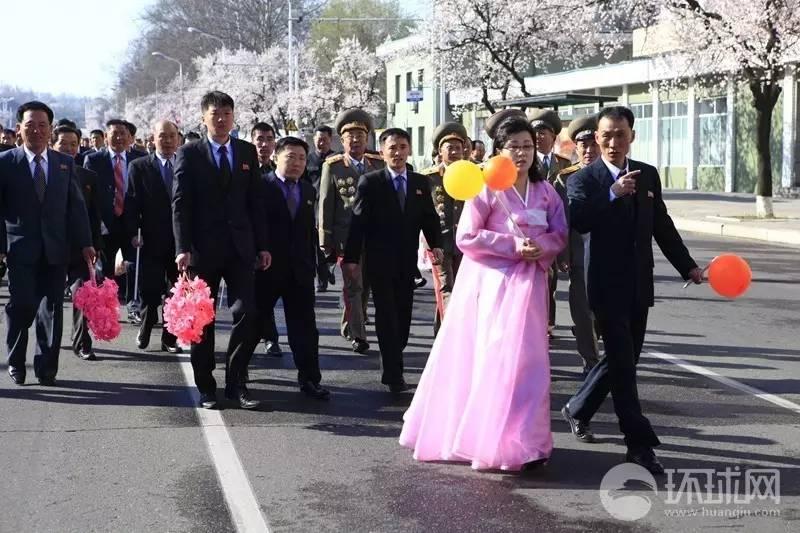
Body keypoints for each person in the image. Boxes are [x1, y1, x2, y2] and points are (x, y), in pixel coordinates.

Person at [399, 116, 567, 471]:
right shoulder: (487, 189)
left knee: (530, 365)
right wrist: (511, 245)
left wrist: (542, 246)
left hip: (532, 287)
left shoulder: (547, 191)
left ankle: (528, 443)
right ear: (499, 152)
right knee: (495, 363)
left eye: (527, 146)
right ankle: (487, 439)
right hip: (494, 287)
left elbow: (559, 234)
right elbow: (467, 238)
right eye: (514, 147)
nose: (521, 154)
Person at [561, 106, 703, 475]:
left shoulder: (648, 175)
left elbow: (662, 226)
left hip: (639, 283)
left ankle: (578, 407)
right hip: (604, 285)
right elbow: (578, 219)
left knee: (624, 361)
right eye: (605, 135)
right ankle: (638, 444)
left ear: (632, 137)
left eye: (619, 135)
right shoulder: (583, 179)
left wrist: (687, 265)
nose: (611, 142)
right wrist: (611, 193)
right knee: (623, 364)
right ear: (596, 137)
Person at [173, 91, 269, 410]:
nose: (221, 118)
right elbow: (181, 205)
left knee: (247, 312)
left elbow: (256, 201)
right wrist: (183, 248)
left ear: (233, 116)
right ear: (204, 118)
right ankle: (206, 386)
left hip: (241, 248)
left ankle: (236, 381)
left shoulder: (245, 151)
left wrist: (262, 245)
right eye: (215, 113)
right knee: (203, 320)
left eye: (227, 112)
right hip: (203, 250)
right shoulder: (189, 153)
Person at [0, 101, 95, 385]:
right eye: (30, 125)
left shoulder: (64, 164)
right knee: (23, 306)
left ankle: (46, 367)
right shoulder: (6, 163)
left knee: (52, 309)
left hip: (56, 249)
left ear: (50, 129)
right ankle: (16, 361)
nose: (37, 131)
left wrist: (86, 244)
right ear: (19, 129)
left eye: (43, 125)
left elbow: (76, 208)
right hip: (20, 249)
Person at [344, 128, 442, 393]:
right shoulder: (371, 182)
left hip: (407, 261)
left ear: (408, 149)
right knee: (387, 315)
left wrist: (436, 246)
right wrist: (351, 259)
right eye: (392, 148)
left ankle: (394, 355)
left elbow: (429, 219)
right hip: (379, 261)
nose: (397, 153)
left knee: (403, 317)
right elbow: (358, 222)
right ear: (382, 152)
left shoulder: (420, 183)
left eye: (402, 147)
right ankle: (393, 373)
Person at [245, 136, 330, 400]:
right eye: (290, 157)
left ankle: (310, 379)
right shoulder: (261, 186)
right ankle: (239, 375)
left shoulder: (308, 190)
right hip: (266, 268)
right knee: (253, 323)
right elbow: (251, 225)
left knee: (305, 328)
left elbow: (308, 232)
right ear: (276, 157)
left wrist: (319, 264)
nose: (296, 163)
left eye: (302, 158)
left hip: (300, 270)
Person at [319, 109, 385, 354]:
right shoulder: (333, 167)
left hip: (375, 237)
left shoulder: (378, 164)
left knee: (366, 285)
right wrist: (325, 240)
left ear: (367, 138)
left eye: (360, 135)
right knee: (353, 285)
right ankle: (359, 335)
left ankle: (350, 323)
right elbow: (326, 204)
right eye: (350, 136)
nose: (355, 140)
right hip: (346, 238)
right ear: (342, 140)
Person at [125, 120, 183, 355]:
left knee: (177, 292)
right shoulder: (139, 166)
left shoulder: (185, 164)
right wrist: (132, 233)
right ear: (153, 139)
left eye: (172, 136)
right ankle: (147, 325)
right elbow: (131, 203)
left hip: (180, 240)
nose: (167, 141)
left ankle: (169, 337)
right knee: (151, 291)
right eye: (162, 136)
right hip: (149, 239)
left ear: (178, 138)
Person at [554, 114, 602, 376]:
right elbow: (560, 219)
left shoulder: (616, 172)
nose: (588, 150)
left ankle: (595, 342)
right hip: (579, 253)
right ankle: (591, 361)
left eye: (592, 143)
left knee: (604, 314)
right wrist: (562, 253)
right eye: (582, 145)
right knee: (582, 311)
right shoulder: (565, 178)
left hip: (609, 253)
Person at [84, 118, 146, 324]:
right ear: (106, 135)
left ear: (130, 137)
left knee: (133, 267)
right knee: (105, 269)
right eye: (114, 133)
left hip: (131, 224)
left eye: (123, 133)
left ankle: (133, 306)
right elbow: (89, 197)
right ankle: (106, 308)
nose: (119, 137)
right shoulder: (94, 160)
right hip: (105, 224)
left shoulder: (140, 158)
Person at [51, 124, 104, 361]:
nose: (69, 149)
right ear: (53, 144)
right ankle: (49, 343)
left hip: (80, 248)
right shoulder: (43, 173)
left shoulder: (89, 177)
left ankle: (82, 342)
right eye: (63, 143)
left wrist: (96, 245)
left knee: (83, 294)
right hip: (50, 247)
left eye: (74, 144)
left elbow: (94, 216)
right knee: (48, 300)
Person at [419, 122, 468, 335]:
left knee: (459, 287)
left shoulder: (472, 172)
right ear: (440, 151)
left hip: (465, 240)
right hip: (438, 239)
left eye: (459, 147)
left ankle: (441, 328)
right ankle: (452, 333)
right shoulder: (429, 177)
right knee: (446, 285)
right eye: (450, 148)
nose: (455, 152)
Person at [530, 108, 572, 338]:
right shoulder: (525, 164)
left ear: (554, 137)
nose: (539, 137)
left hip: (556, 231)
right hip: (533, 231)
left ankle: (548, 322)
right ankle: (539, 322)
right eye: (535, 132)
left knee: (552, 279)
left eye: (544, 132)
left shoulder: (564, 165)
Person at [250, 122, 282, 357]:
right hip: (246, 240)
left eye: (269, 139)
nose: (264, 144)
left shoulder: (277, 171)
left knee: (267, 290)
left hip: (271, 241)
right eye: (260, 139)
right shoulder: (245, 168)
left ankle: (270, 337)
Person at [306, 125, 337, 293]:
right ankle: (322, 280)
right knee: (318, 246)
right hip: (313, 207)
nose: (321, 143)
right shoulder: (308, 159)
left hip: (332, 207)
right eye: (318, 139)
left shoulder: (336, 159)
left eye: (324, 140)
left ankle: (330, 268)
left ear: (330, 140)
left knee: (330, 244)